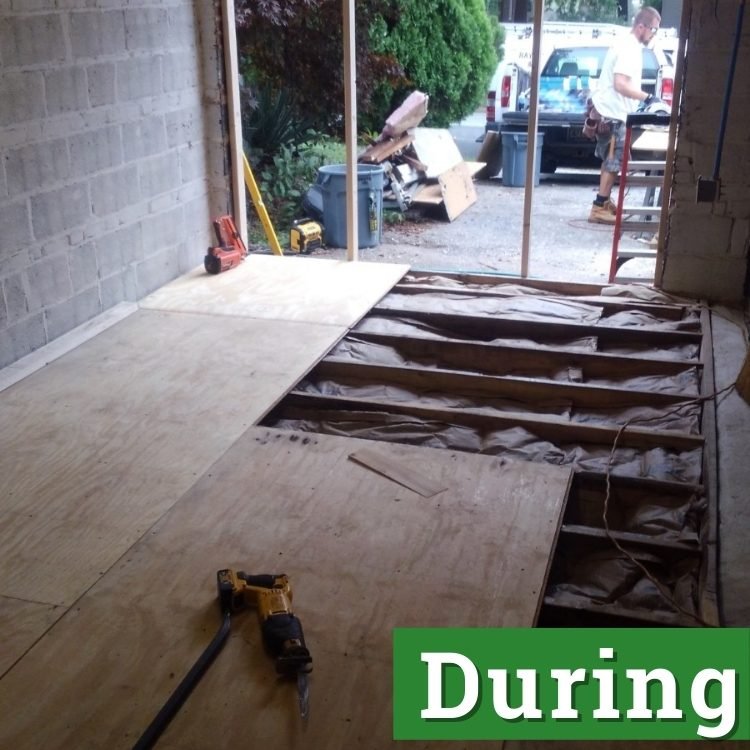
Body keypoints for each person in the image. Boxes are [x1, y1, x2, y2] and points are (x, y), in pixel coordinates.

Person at [588, 7, 662, 224]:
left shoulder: (627, 45)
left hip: (611, 112)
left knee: (611, 160)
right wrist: (648, 98)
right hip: (613, 114)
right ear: (642, 26)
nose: (654, 34)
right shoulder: (629, 48)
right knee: (613, 161)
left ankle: (603, 200)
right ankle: (599, 207)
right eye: (654, 30)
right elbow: (620, 84)